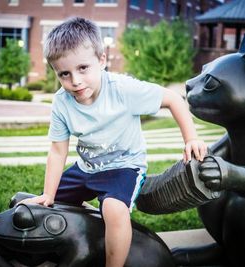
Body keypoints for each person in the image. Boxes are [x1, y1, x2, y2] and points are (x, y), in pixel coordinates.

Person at [19, 17, 207, 267]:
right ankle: (88, 226)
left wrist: (191, 138)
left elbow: (173, 99)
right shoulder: (62, 102)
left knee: (114, 210)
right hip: (87, 168)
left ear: (102, 60)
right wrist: (48, 194)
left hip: (124, 167)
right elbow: (57, 151)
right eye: (64, 73)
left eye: (83, 68)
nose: (75, 80)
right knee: (51, 208)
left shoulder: (122, 89)